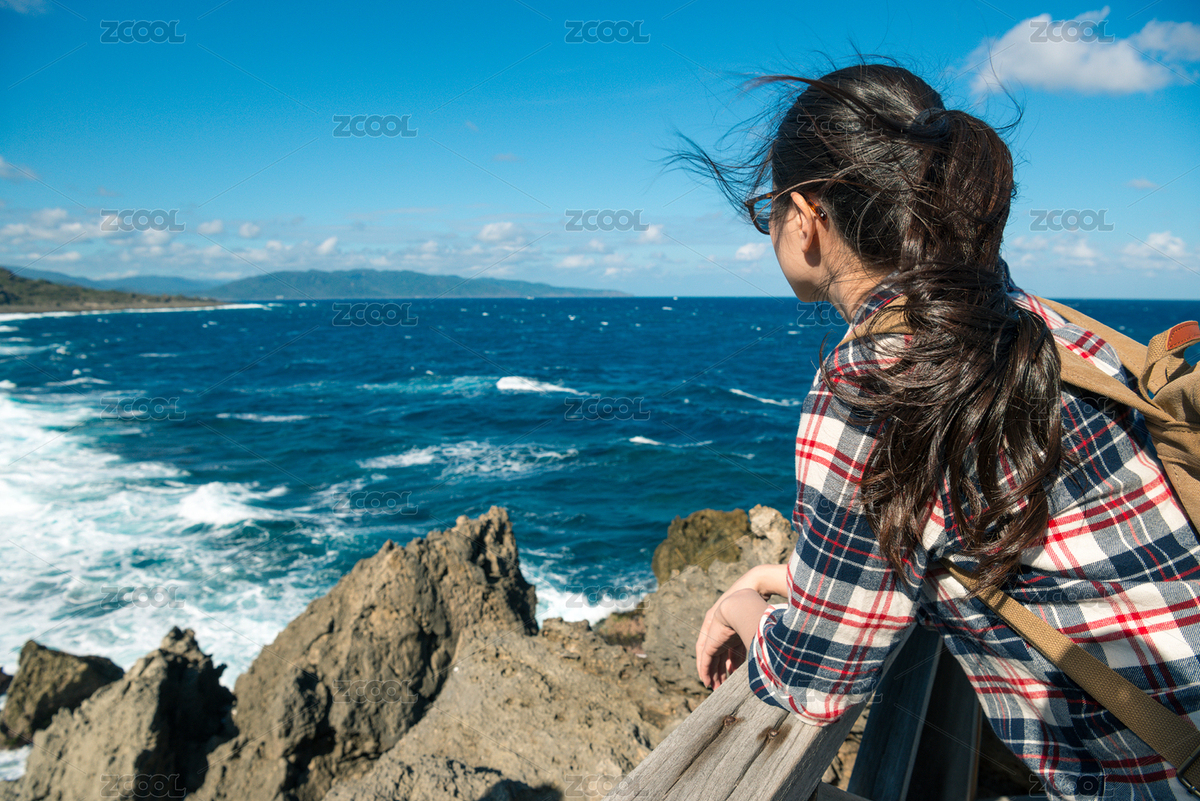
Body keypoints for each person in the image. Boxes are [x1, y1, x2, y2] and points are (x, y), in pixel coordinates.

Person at [683, 63, 1200, 800]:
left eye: (765, 206)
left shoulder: (870, 382)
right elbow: (1000, 541)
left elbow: (812, 680)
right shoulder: (1034, 319)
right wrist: (781, 577)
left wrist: (734, 604)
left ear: (804, 217)